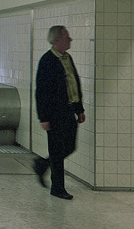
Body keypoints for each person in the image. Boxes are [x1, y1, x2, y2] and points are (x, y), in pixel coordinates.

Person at [33, 25, 86, 200]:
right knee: (57, 151)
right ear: (57, 41)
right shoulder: (47, 60)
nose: (70, 40)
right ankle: (57, 188)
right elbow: (41, 91)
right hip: (54, 113)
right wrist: (44, 117)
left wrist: (79, 109)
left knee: (70, 146)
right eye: (67, 37)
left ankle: (42, 164)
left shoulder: (67, 58)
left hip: (69, 110)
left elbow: (73, 84)